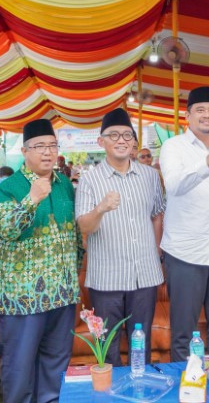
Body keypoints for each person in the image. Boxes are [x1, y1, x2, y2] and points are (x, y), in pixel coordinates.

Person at [0, 119, 83, 402]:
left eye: (52, 145)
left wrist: (74, 275)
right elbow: (6, 230)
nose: (47, 152)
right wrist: (31, 200)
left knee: (56, 363)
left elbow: (76, 236)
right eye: (40, 146)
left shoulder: (64, 185)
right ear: (25, 151)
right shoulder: (9, 187)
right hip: (23, 297)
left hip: (62, 293)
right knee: (19, 366)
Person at [76, 108, 165, 366]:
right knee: (108, 344)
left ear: (134, 142)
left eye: (127, 135)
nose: (121, 140)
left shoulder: (149, 176)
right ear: (101, 142)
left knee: (141, 340)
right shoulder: (90, 180)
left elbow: (157, 214)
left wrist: (156, 252)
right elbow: (84, 225)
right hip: (107, 278)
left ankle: (141, 388)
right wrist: (100, 209)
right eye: (113, 135)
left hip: (145, 275)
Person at [159, 86, 209, 362]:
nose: (207, 116)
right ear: (188, 116)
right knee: (184, 332)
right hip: (185, 254)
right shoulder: (173, 147)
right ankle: (187, 388)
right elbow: (174, 186)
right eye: (200, 110)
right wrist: (207, 162)